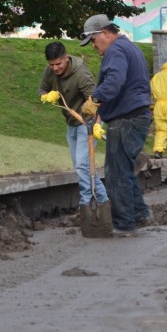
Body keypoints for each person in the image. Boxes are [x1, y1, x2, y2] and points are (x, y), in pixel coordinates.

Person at [80, 14, 154, 237]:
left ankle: (124, 224)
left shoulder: (116, 51)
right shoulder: (128, 47)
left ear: (104, 32)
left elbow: (114, 82)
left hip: (127, 119)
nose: (93, 46)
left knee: (116, 174)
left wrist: (94, 99)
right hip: (135, 115)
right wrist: (101, 114)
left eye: (93, 40)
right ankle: (140, 214)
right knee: (124, 170)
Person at [38, 42, 109, 209]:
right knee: (81, 167)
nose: (55, 68)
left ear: (66, 58)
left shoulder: (81, 74)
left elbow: (98, 102)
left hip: (89, 122)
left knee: (82, 165)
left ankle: (86, 203)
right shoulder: (50, 72)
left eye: (58, 64)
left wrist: (97, 126)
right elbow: (41, 89)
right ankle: (103, 201)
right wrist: (46, 96)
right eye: (51, 65)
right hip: (71, 122)